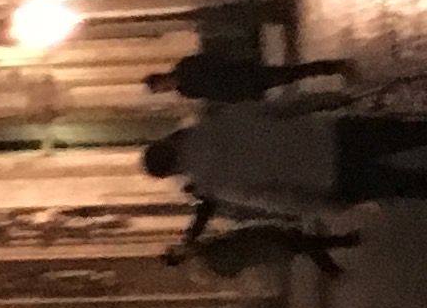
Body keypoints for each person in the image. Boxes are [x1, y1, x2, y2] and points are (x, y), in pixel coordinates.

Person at [142, 108, 427, 215]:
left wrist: (326, 205)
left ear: (172, 172)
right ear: (167, 142)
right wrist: (325, 101)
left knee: (406, 183)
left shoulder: (215, 183)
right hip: (327, 134)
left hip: (327, 175)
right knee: (408, 134)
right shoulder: (211, 124)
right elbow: (275, 111)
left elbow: (274, 198)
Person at [151, 47, 351, 103]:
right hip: (242, 87)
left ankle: (332, 67)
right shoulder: (185, 90)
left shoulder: (185, 68)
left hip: (242, 74)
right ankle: (330, 68)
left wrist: (236, 64)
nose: (164, 89)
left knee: (288, 74)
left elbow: (212, 59)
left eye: (161, 86)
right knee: (289, 75)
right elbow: (213, 95)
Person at [178, 218, 356, 279]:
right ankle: (343, 243)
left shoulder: (213, 259)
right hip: (267, 244)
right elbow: (241, 242)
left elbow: (233, 271)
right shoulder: (214, 251)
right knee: (306, 243)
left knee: (305, 243)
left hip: (266, 248)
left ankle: (332, 264)